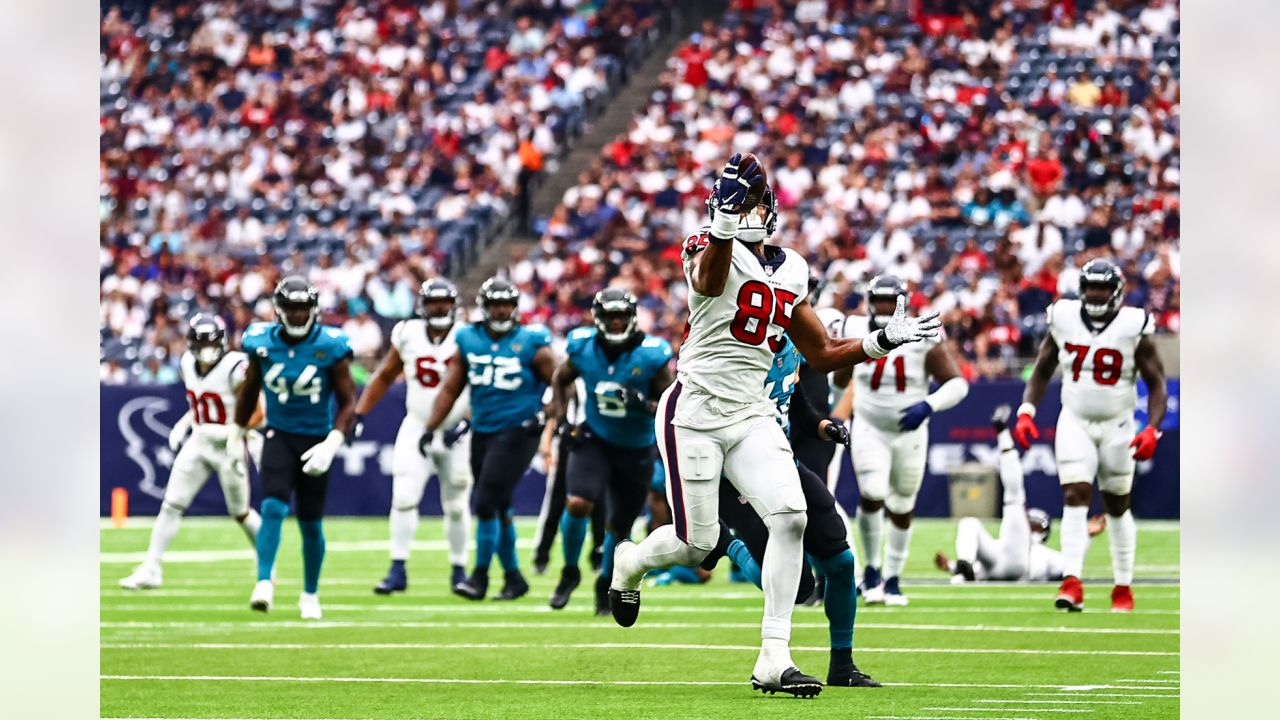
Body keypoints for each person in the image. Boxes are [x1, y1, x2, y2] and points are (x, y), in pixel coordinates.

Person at [608, 153, 940, 697]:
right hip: (694, 411)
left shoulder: (791, 268)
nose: (748, 213)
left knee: (790, 516)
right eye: (741, 204)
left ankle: (773, 657)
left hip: (753, 414)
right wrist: (720, 220)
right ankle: (631, 562)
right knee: (698, 545)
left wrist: (882, 341)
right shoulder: (707, 244)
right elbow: (710, 283)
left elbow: (825, 352)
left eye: (755, 204)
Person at [702, 331, 881, 688]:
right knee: (797, 588)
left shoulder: (787, 347)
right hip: (738, 474)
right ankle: (730, 546)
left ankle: (843, 666)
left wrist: (824, 427)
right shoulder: (725, 354)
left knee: (842, 563)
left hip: (784, 464)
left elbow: (796, 406)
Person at [1014, 258, 1167, 612]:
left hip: (1118, 423)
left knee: (1117, 503)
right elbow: (1042, 369)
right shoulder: (1064, 317)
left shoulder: (1133, 324)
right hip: (1076, 419)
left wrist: (1152, 430)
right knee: (1075, 492)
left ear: (1116, 293)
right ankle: (1072, 581)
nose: (1096, 296)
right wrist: (1026, 411)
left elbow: (1156, 382)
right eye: (1091, 289)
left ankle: (1123, 586)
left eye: (1102, 289)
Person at [827, 275, 970, 606]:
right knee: (872, 493)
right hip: (870, 426)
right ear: (868, 301)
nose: (885, 308)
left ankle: (893, 578)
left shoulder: (922, 332)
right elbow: (838, 377)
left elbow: (957, 384)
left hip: (910, 430)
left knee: (903, 504)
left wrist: (928, 404)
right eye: (879, 301)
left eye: (891, 302)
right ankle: (873, 573)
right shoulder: (855, 326)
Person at [425, 277, 557, 601]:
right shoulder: (469, 338)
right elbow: (451, 388)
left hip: (519, 431)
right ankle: (513, 578)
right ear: (484, 308)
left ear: (515, 308)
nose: (501, 310)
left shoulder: (531, 341)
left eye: (506, 304)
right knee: (499, 506)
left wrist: (546, 414)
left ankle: (479, 577)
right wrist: (430, 426)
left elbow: (563, 383)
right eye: (495, 304)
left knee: (484, 501)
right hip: (483, 430)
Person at [233, 276, 357, 619]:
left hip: (317, 437)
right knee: (272, 506)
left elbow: (349, 401)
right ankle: (263, 582)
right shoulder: (260, 342)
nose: (299, 315)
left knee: (311, 522)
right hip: (279, 434)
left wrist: (333, 441)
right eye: (292, 308)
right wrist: (236, 431)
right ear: (279, 310)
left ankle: (310, 593)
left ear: (314, 309)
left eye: (304, 308)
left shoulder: (331, 345)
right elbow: (249, 389)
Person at [546, 288, 674, 613]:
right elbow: (560, 380)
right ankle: (569, 571)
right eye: (609, 316)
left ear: (631, 317)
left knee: (620, 525)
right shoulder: (582, 346)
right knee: (577, 502)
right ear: (597, 318)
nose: (615, 322)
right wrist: (562, 420)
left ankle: (605, 584)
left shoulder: (651, 353)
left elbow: (673, 404)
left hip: (636, 446)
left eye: (620, 316)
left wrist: (643, 403)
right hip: (594, 437)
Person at [119, 314, 265, 589]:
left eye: (210, 341)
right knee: (172, 504)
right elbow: (204, 402)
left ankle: (266, 564)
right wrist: (185, 422)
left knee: (241, 512)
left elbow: (260, 413)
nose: (206, 348)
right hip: (199, 441)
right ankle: (151, 568)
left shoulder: (236, 367)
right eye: (200, 341)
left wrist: (232, 432)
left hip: (229, 446)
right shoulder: (187, 363)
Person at [352, 278, 474, 594]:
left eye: (444, 302)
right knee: (404, 497)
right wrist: (360, 412)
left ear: (454, 305)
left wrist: (469, 421)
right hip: (417, 423)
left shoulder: (468, 335)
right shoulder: (408, 333)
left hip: (457, 428)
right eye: (433, 302)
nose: (439, 308)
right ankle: (397, 568)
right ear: (422, 305)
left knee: (458, 503)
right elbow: (385, 374)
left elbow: (482, 384)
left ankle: (460, 570)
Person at [934, 405, 1107, 583]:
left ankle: (1003, 434)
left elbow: (1066, 565)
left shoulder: (1042, 553)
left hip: (1019, 566)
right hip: (996, 565)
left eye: (1035, 525)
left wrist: (1086, 537)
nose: (1030, 526)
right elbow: (989, 559)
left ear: (1043, 533)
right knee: (969, 523)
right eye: (1030, 522)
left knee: (1014, 496)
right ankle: (965, 563)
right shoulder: (1005, 543)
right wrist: (953, 566)